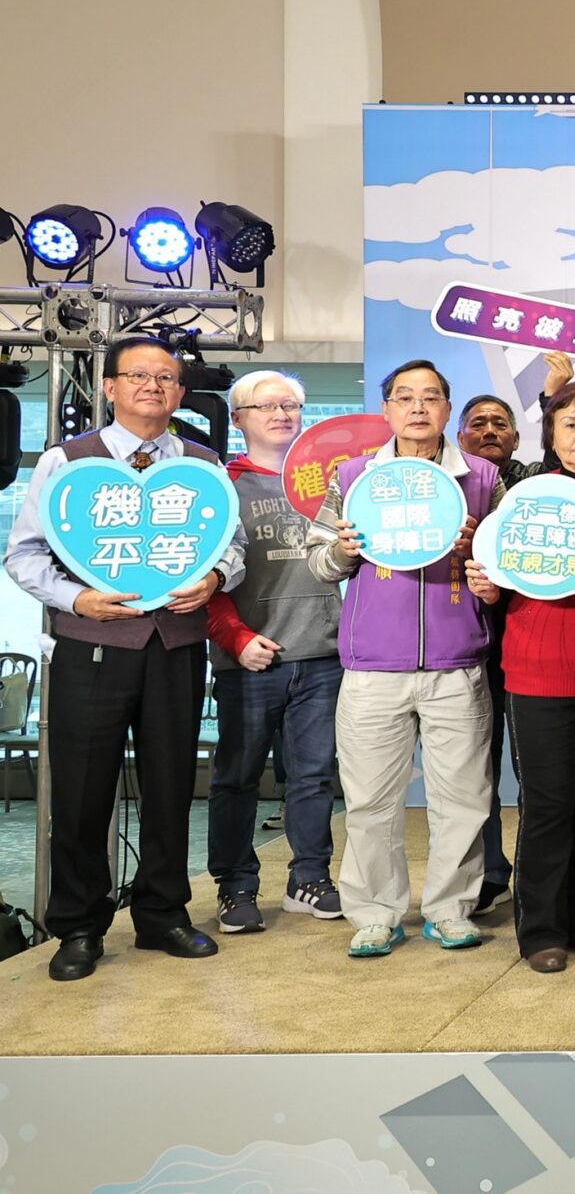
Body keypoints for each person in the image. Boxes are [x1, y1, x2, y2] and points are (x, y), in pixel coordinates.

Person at [5, 336, 248, 981]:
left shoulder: (202, 463)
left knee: (171, 785)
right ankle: (79, 926)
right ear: (109, 387)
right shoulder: (67, 461)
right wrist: (77, 599)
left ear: (180, 392)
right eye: (138, 375)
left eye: (166, 378)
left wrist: (215, 578)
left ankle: (163, 914)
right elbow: (23, 555)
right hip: (91, 646)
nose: (152, 386)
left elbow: (234, 546)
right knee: (82, 792)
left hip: (176, 646)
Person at [308, 359, 503, 958]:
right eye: (405, 397)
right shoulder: (354, 476)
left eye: (431, 397)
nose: (418, 407)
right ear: (386, 408)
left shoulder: (482, 477)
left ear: (447, 408)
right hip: (373, 667)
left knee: (463, 799)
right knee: (370, 801)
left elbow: (505, 566)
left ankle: (450, 909)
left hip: (456, 663)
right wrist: (344, 552)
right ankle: (374, 913)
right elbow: (318, 562)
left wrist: (482, 563)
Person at [465, 382, 575, 973]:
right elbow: (496, 577)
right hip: (536, 673)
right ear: (550, 435)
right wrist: (485, 585)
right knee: (547, 805)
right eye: (570, 425)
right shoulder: (522, 497)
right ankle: (541, 928)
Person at [204, 369, 344, 932]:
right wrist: (236, 639)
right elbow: (205, 576)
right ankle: (235, 884)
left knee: (313, 777)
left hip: (323, 655)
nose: (281, 414)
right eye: (266, 406)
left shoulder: (331, 483)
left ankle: (309, 877)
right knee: (237, 778)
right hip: (250, 659)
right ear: (239, 418)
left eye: (290, 405)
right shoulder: (222, 485)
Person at [455, 392, 531, 913]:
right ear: (460, 436)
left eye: (500, 424)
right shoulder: (445, 487)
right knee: (476, 770)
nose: (489, 431)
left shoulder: (537, 484)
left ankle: (534, 875)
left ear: (516, 438)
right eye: (478, 423)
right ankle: (488, 872)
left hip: (526, 645)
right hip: (468, 646)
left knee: (534, 775)